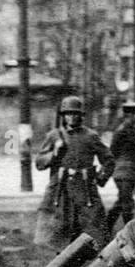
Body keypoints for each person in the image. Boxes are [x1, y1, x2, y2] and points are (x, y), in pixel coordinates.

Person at [34, 95, 114, 250]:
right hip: (60, 190)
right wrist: (54, 153)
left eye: (75, 113)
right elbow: (39, 163)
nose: (72, 117)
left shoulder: (90, 136)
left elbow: (109, 160)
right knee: (60, 232)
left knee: (93, 230)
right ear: (63, 116)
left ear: (81, 116)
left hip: (85, 191)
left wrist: (100, 178)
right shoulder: (54, 136)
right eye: (68, 113)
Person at [106, 100, 135, 236]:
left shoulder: (132, 131)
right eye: (133, 115)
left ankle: (106, 227)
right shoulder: (121, 131)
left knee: (123, 201)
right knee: (126, 203)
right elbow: (112, 152)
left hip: (129, 172)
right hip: (122, 172)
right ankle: (131, 233)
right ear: (127, 116)